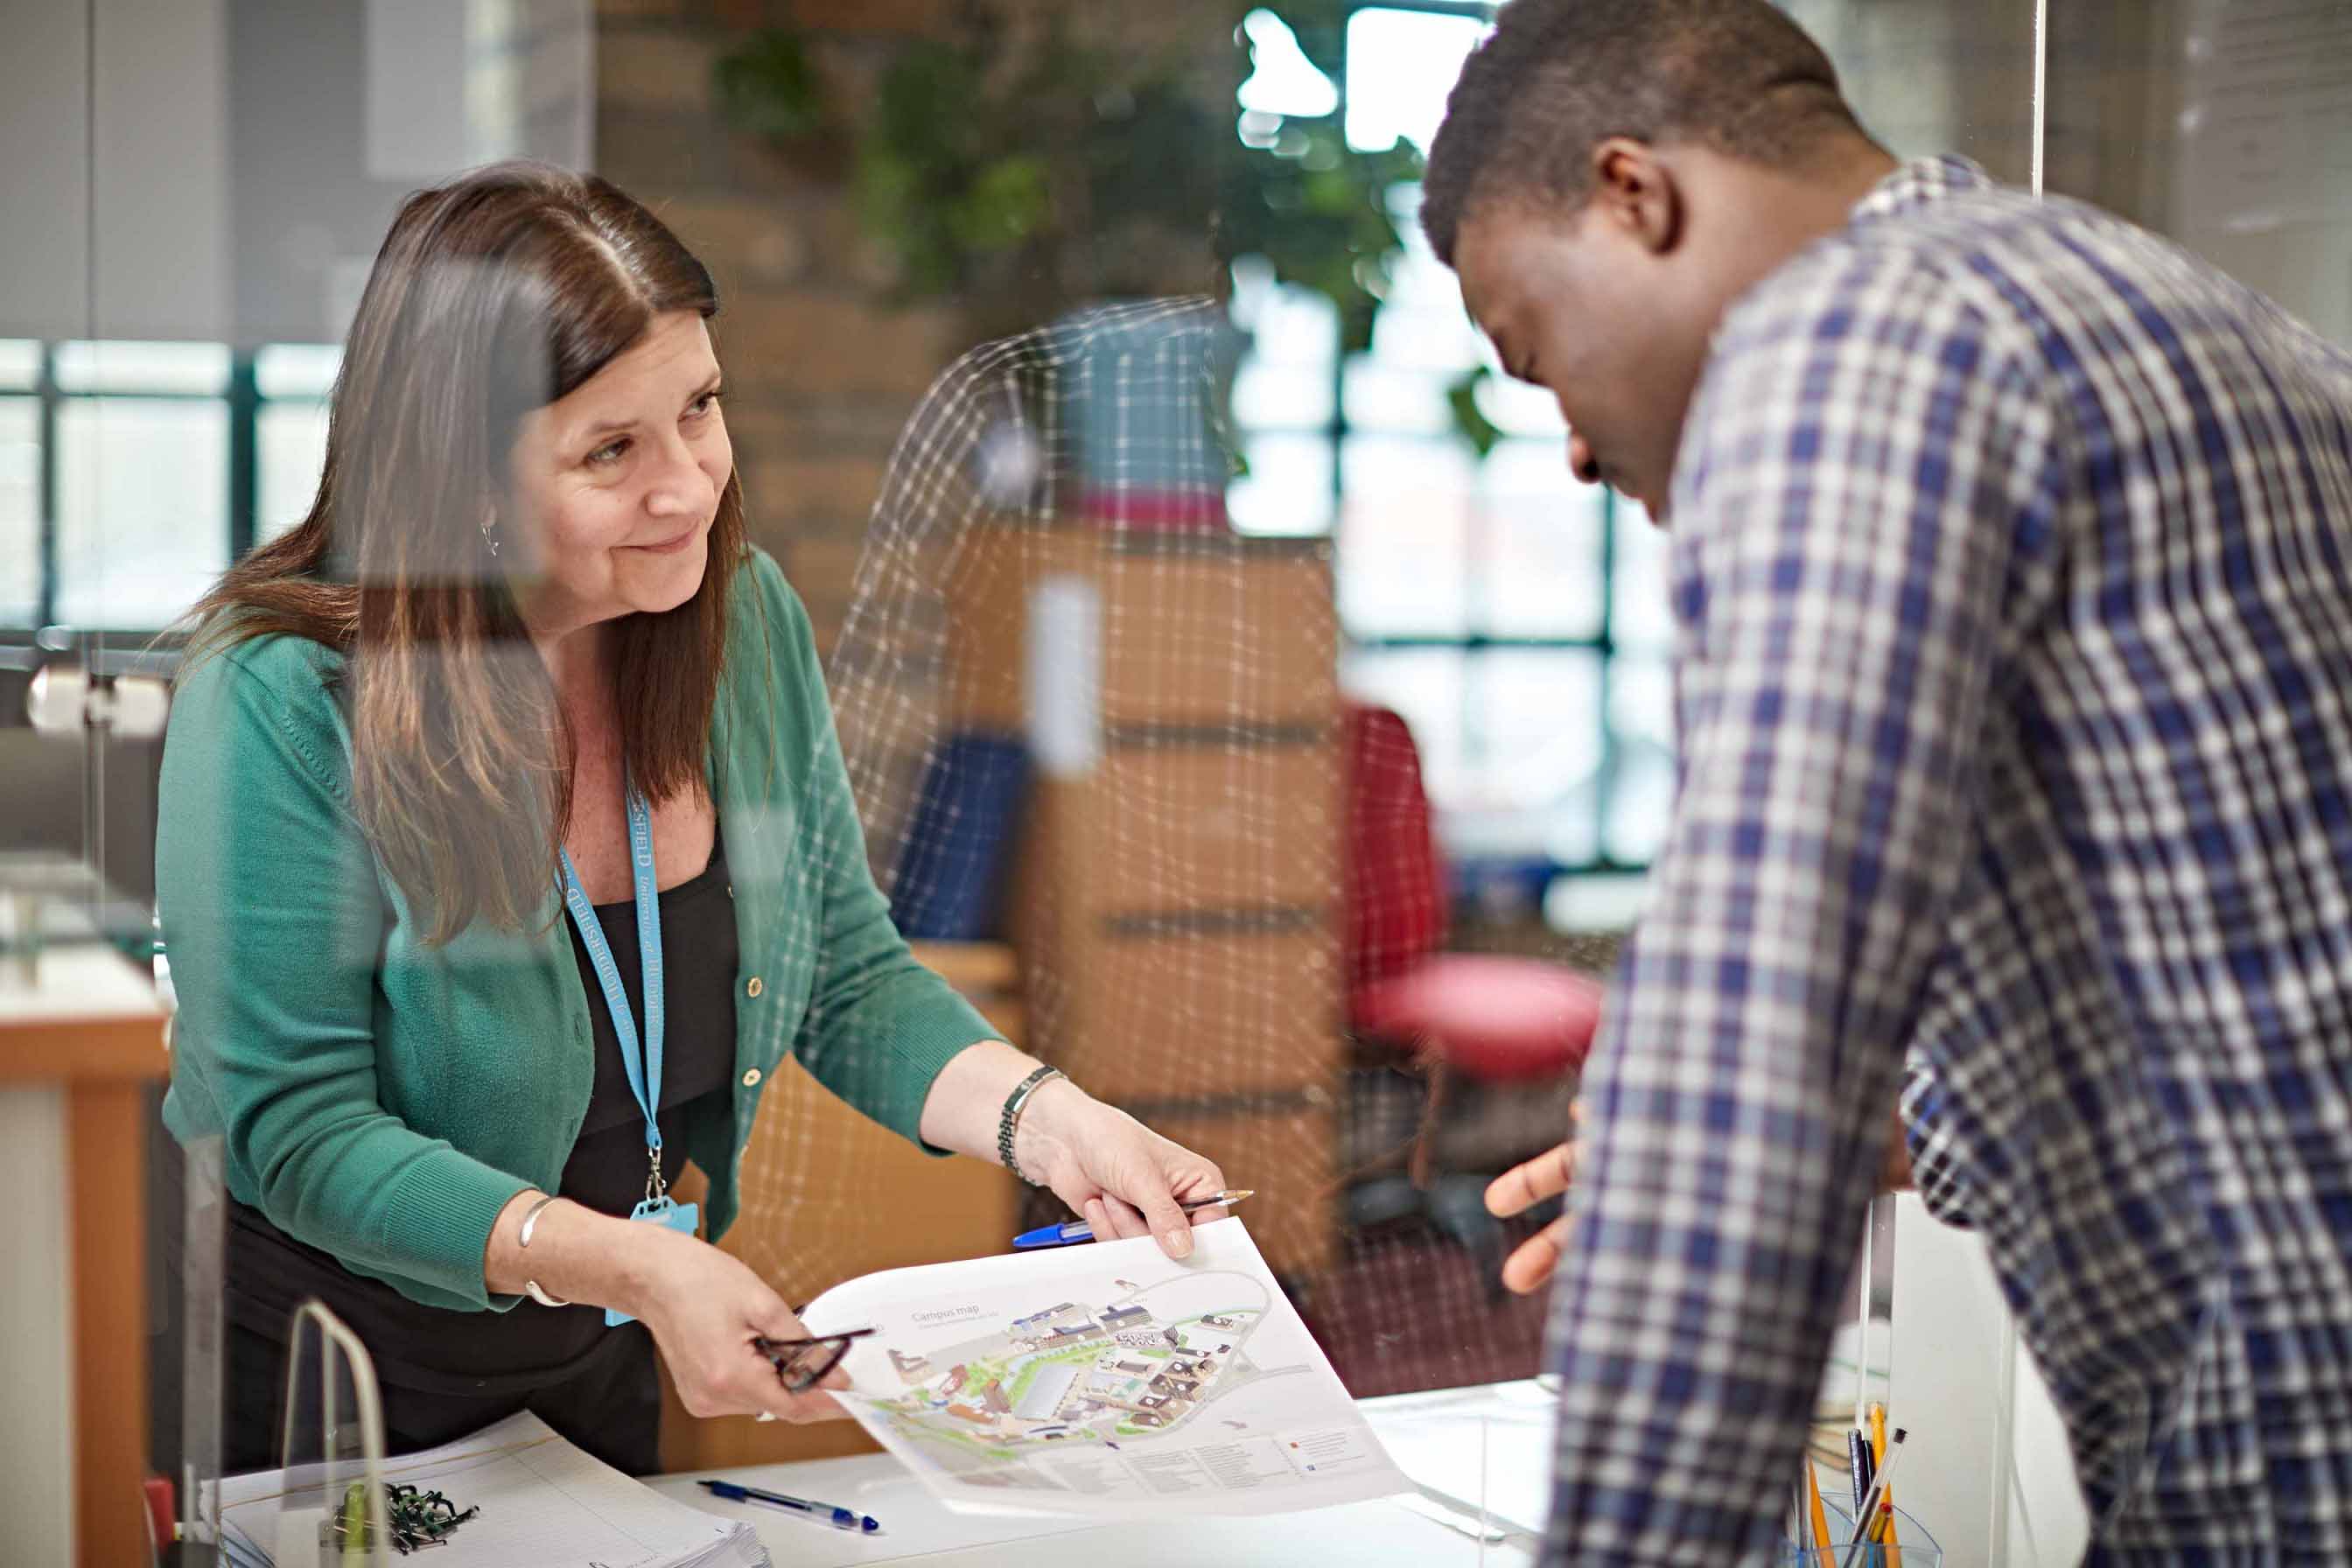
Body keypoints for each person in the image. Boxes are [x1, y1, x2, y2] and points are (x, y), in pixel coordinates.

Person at [1420, 0, 2352, 1559]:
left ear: (1635, 195)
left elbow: (1753, 1033)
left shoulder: (1853, 338)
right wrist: (1894, 1119)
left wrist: (1721, 1150)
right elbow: (2231, 960)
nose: (1574, 447)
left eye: (1536, 353)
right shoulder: (2232, 334)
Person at [158, 162, 1227, 1477]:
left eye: (702, 409)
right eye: (612, 450)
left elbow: (844, 976)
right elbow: (299, 1136)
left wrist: (1058, 1123)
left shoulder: (738, 619)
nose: (689, 488)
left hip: (606, 1344)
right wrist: (634, 1264)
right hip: (328, 1383)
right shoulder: (278, 694)